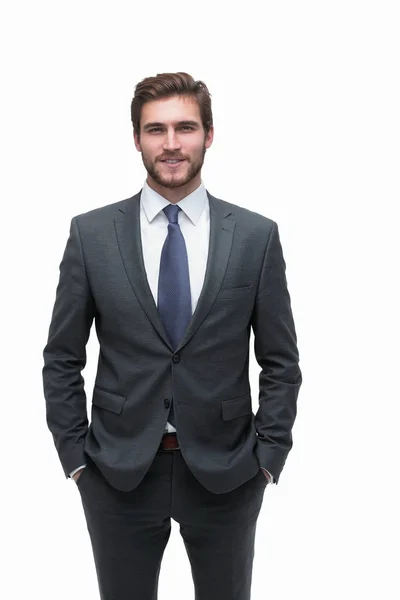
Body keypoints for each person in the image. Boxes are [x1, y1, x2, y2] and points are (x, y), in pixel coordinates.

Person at [42, 71, 302, 600]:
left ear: (209, 134)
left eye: (185, 127)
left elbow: (281, 361)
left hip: (229, 471)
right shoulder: (91, 235)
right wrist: (75, 459)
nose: (171, 143)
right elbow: (62, 357)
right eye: (155, 129)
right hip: (116, 472)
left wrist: (267, 459)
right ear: (136, 138)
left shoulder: (255, 236)